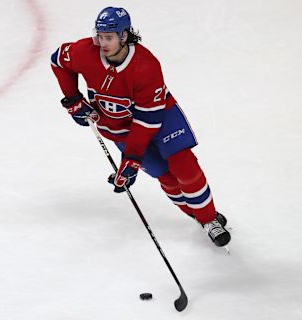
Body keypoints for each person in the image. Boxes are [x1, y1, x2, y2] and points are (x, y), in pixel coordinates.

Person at [50, 7, 230, 247]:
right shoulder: (85, 51)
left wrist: (132, 158)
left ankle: (209, 220)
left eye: (109, 37)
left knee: (183, 163)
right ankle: (197, 215)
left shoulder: (146, 65)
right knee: (163, 174)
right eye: (99, 36)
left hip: (160, 118)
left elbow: (147, 121)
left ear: (124, 36)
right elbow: (58, 60)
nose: (102, 42)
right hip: (118, 127)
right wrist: (73, 99)